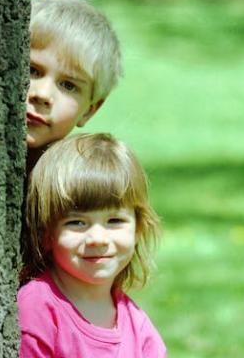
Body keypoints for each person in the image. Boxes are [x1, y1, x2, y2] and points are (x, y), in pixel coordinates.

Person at [18, 133, 167, 357]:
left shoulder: (140, 330)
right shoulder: (37, 311)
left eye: (114, 221)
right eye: (76, 222)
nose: (97, 238)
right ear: (46, 233)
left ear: (137, 229)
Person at [25, 0, 122, 171]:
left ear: (89, 111)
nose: (43, 94)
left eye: (68, 85)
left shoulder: (77, 189)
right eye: (33, 70)